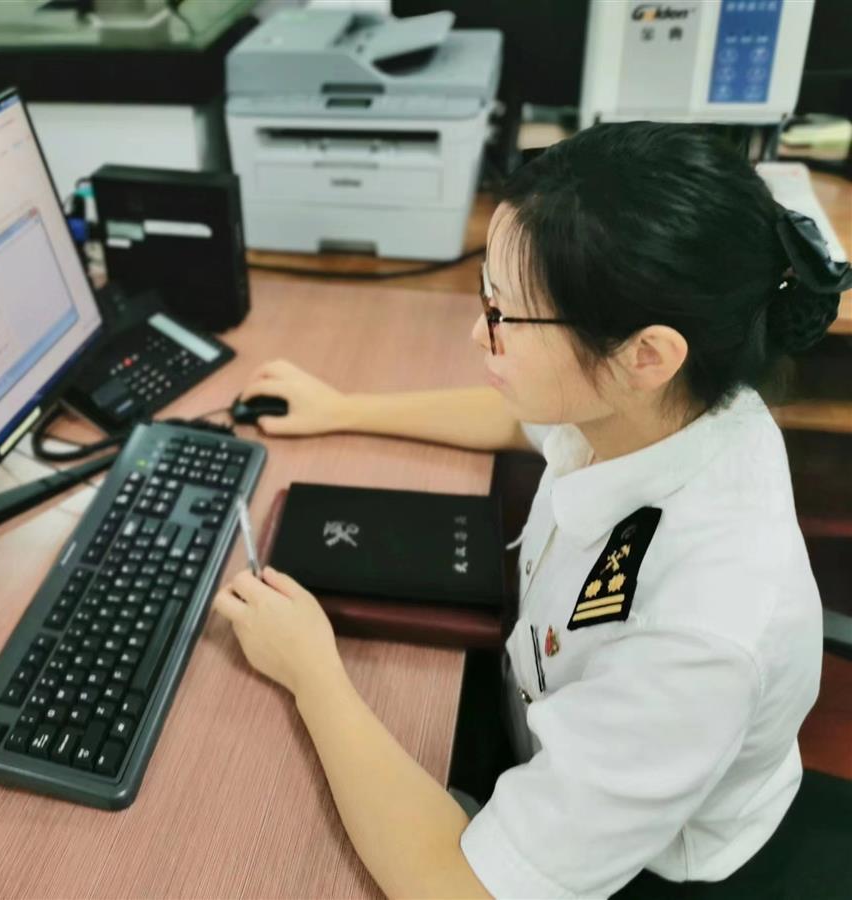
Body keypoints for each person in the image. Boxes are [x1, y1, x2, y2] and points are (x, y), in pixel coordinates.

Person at [211, 122, 849, 898]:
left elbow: (457, 889)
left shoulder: (697, 638)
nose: (478, 333)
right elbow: (522, 418)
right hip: (535, 706)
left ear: (646, 355)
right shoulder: (662, 405)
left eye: (506, 316)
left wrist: (311, 671)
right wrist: (343, 408)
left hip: (640, 866)